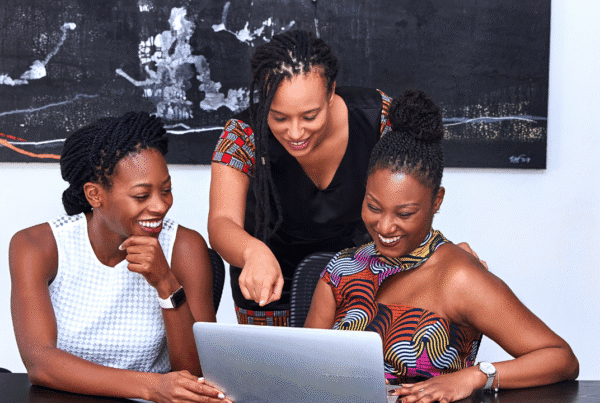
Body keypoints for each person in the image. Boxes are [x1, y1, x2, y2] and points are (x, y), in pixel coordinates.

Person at [304, 90, 579, 402]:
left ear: (437, 201)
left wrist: (475, 377)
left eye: (404, 213)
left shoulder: (459, 276)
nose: (384, 226)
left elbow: (561, 358)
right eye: (374, 207)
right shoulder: (342, 269)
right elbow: (305, 370)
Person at [210, 29, 485, 325]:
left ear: (331, 93)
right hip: (268, 287)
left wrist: (441, 252)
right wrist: (252, 252)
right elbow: (221, 222)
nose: (295, 132)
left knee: (351, 370)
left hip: (359, 281)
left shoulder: (377, 118)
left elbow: (413, 194)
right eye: (278, 117)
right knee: (274, 371)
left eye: (309, 116)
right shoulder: (242, 134)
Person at [9, 112, 231, 403]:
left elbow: (196, 372)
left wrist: (166, 284)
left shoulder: (184, 246)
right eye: (141, 195)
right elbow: (41, 363)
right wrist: (152, 386)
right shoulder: (36, 247)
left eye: (166, 190)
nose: (160, 206)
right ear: (94, 195)